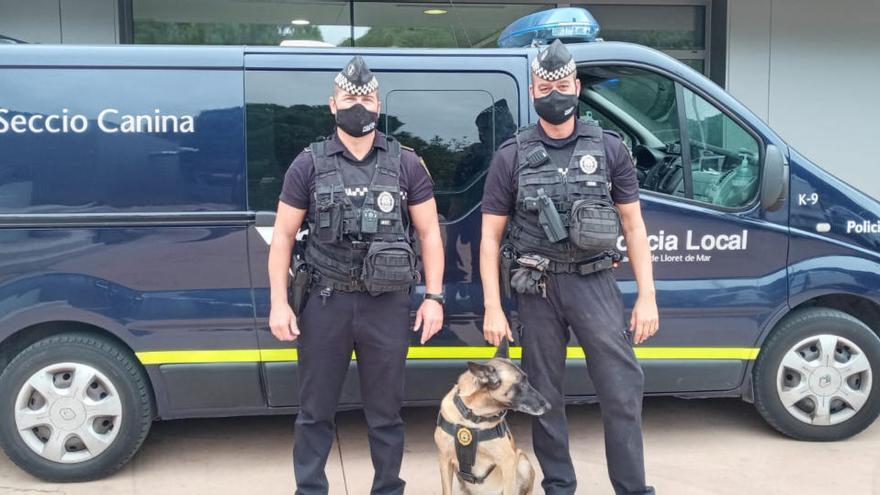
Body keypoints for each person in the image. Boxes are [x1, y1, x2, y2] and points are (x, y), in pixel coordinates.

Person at [479, 39, 659, 495]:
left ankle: (632, 488)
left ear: (576, 87)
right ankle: (559, 486)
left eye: (561, 84)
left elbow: (634, 227)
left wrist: (647, 297)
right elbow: (489, 238)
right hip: (536, 287)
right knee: (543, 397)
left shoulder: (610, 149)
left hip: (595, 283)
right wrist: (493, 308)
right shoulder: (511, 156)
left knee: (621, 392)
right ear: (534, 90)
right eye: (545, 85)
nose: (554, 93)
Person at [267, 55, 445, 495]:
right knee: (314, 412)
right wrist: (278, 302)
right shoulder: (307, 164)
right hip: (324, 304)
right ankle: (310, 489)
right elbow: (284, 237)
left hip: (386, 305)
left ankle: (388, 488)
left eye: (366, 97)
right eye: (350, 97)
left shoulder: (406, 164)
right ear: (332, 104)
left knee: (386, 413)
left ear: (379, 104)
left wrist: (434, 297)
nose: (358, 104)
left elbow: (429, 234)